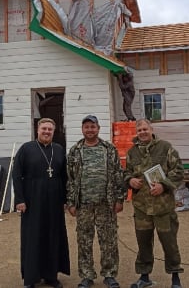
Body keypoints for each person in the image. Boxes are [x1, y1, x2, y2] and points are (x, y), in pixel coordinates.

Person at [67, 115, 126, 288]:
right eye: (86, 127)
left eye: (93, 126)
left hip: (105, 204)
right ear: (82, 129)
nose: (90, 129)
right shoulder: (75, 150)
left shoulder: (109, 149)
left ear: (98, 128)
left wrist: (119, 198)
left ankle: (109, 274)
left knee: (108, 240)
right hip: (83, 204)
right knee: (84, 240)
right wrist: (70, 202)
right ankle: (87, 275)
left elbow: (118, 174)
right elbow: (70, 178)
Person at [123, 118, 184, 288]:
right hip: (142, 207)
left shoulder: (165, 147)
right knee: (143, 244)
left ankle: (175, 279)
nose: (142, 132)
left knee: (169, 243)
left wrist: (163, 186)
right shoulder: (132, 152)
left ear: (151, 130)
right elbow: (126, 173)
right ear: (137, 132)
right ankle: (144, 277)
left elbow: (178, 170)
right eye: (139, 130)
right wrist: (130, 181)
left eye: (145, 129)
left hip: (163, 206)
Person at [13, 118, 70, 288]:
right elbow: (16, 175)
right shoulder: (26, 149)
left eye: (50, 129)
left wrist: (65, 200)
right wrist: (20, 200)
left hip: (54, 201)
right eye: (44, 128)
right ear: (37, 130)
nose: (47, 132)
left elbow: (64, 177)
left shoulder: (59, 150)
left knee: (52, 237)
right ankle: (31, 277)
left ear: (54, 131)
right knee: (33, 238)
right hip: (32, 201)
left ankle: (51, 276)